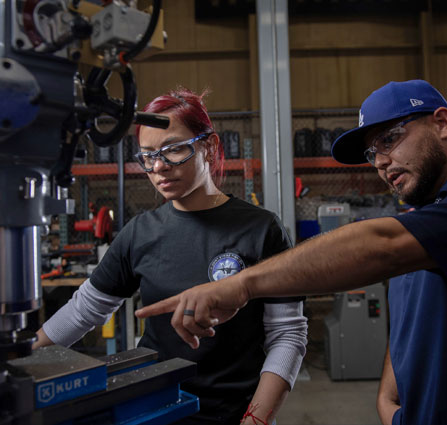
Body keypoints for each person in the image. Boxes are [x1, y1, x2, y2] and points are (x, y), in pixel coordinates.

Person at [136, 80, 447, 425]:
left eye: (391, 139)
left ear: (443, 122)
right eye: (373, 152)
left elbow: (381, 246)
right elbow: (413, 313)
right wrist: (388, 399)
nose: (381, 162)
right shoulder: (427, 217)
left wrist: (243, 285)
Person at [33, 88, 308, 425]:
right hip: (156, 407)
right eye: (148, 155)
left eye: (174, 149)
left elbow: (288, 335)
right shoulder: (140, 232)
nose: (159, 166)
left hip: (235, 410)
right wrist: (25, 358)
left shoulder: (261, 229)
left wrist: (257, 419)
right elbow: (85, 309)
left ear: (209, 146)